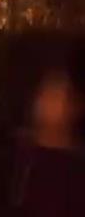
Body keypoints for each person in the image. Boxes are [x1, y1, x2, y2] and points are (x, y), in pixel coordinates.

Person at [11, 69, 85, 215]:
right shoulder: (22, 155)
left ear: (74, 107)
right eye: (45, 94)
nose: (45, 102)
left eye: (56, 96)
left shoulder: (75, 172)